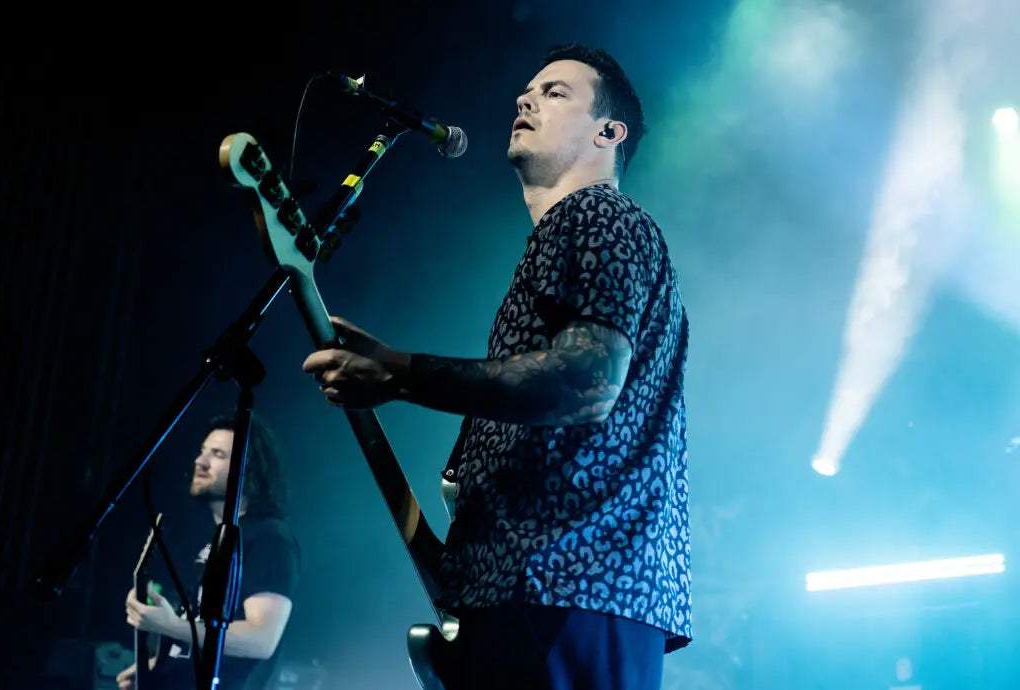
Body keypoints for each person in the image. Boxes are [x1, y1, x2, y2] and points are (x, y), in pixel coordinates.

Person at [302, 42, 691, 689]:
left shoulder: (601, 215)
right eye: (528, 89)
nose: (525, 98)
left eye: (555, 92)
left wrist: (399, 373)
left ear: (608, 132)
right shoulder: (560, 238)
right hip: (531, 590)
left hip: (571, 582)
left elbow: (586, 383)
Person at [117, 414, 301, 689]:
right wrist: (160, 666)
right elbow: (203, 630)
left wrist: (169, 625)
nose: (200, 461)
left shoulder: (268, 538)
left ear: (248, 470)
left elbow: (261, 639)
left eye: (217, 454)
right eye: (203, 451)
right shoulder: (223, 538)